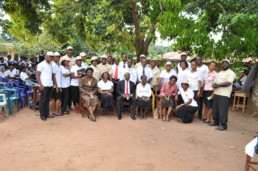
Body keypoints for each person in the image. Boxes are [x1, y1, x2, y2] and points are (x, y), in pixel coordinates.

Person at [209, 59, 236, 131]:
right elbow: (215, 82)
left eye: (226, 63)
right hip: (217, 93)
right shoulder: (219, 73)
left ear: (229, 64)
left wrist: (218, 85)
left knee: (222, 110)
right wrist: (214, 85)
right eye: (223, 63)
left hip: (224, 94)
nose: (224, 64)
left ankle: (223, 125)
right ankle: (216, 121)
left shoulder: (231, 73)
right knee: (216, 109)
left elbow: (228, 83)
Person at [36, 51, 58, 121]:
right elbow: (37, 75)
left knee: (47, 100)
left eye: (52, 56)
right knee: (43, 100)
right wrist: (40, 85)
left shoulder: (51, 65)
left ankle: (47, 114)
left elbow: (52, 76)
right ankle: (42, 115)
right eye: (49, 56)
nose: (50, 58)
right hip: (44, 85)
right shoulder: (41, 64)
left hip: (50, 85)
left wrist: (55, 85)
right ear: (46, 56)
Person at [51, 52, 62, 116]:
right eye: (56, 56)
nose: (58, 58)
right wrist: (56, 86)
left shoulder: (58, 65)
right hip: (56, 85)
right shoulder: (53, 65)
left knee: (56, 98)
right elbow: (53, 76)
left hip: (58, 84)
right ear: (53, 57)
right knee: (56, 99)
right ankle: (55, 111)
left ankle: (55, 111)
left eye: (58, 57)